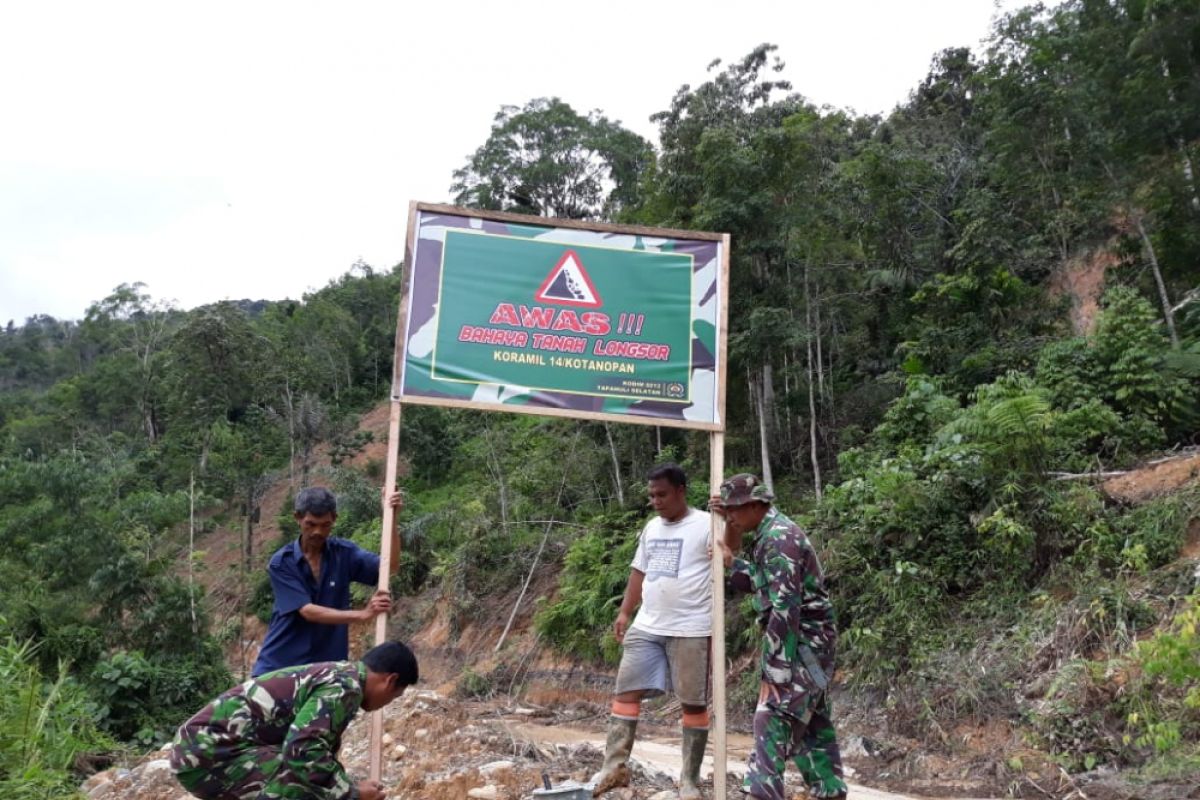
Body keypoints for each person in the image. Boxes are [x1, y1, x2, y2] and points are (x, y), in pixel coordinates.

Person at [710, 474, 847, 800]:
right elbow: (762, 582)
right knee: (808, 723)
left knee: (772, 716)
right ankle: (829, 790)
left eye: (734, 509)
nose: (730, 516)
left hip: (803, 645)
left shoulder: (779, 539)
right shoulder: (768, 535)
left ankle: (760, 794)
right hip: (809, 646)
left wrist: (776, 671)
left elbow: (785, 609)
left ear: (756, 505)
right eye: (726, 510)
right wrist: (732, 563)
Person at [591, 463, 713, 799]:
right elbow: (638, 571)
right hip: (648, 624)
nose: (655, 501)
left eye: (661, 495)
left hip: (691, 627)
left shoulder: (705, 523)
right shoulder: (651, 528)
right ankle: (613, 770)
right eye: (651, 496)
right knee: (625, 693)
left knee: (692, 702)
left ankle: (689, 780)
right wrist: (625, 611)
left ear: (680, 491)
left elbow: (730, 551)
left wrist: (727, 523)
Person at [170, 639, 419, 800]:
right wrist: (352, 793)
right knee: (302, 787)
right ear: (390, 681)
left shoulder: (341, 676)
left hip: (209, 751)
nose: (387, 703)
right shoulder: (345, 687)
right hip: (206, 754)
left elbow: (318, 751)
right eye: (395, 696)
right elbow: (302, 750)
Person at [252, 486, 402, 677]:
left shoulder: (344, 554)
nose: (318, 531)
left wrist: (391, 518)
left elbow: (390, 568)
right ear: (297, 518)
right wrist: (363, 614)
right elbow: (308, 611)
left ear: (334, 520)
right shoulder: (282, 563)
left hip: (327, 672)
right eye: (311, 524)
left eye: (325, 525)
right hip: (280, 671)